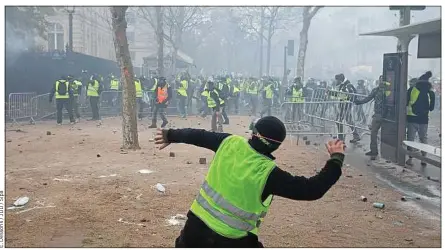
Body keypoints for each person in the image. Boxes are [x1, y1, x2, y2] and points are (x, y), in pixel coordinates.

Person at [153, 116, 345, 248]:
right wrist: (336, 160)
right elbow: (311, 189)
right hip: (232, 241)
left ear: (253, 132)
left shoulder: (229, 142)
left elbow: (198, 135)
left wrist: (170, 135)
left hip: (194, 230)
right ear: (276, 146)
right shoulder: (270, 174)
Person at [353, 75, 390, 159]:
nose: (381, 82)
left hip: (387, 116)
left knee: (385, 135)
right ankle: (374, 151)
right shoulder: (376, 90)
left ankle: (387, 154)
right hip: (378, 115)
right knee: (373, 133)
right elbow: (368, 98)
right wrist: (359, 102)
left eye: (382, 80)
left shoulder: (389, 90)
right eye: (380, 80)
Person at [405, 71, 435, 167]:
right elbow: (432, 108)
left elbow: (405, 102)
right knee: (423, 139)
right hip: (424, 119)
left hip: (411, 118)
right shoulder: (431, 92)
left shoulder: (411, 90)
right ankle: (424, 159)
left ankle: (410, 159)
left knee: (410, 139)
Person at [333, 73, 360, 143]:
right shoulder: (343, 85)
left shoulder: (348, 85)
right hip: (342, 106)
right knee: (340, 121)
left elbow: (352, 95)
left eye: (336, 80)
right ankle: (344, 137)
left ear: (340, 79)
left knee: (344, 121)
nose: (335, 81)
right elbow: (340, 95)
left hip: (346, 107)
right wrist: (331, 93)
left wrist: (349, 102)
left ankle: (342, 138)